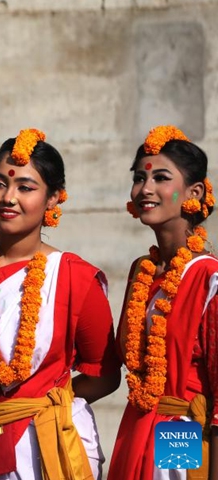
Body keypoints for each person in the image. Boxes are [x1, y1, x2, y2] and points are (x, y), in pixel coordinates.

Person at [0, 129, 121, 480]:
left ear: (53, 200)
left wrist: (46, 402)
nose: (8, 197)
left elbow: (105, 376)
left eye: (25, 188)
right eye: (0, 183)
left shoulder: (77, 278)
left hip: (55, 449)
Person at [108, 126, 218, 479]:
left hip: (180, 428)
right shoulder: (143, 272)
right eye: (140, 178)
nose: (146, 188)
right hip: (135, 428)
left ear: (194, 191)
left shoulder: (208, 277)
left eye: (161, 177)